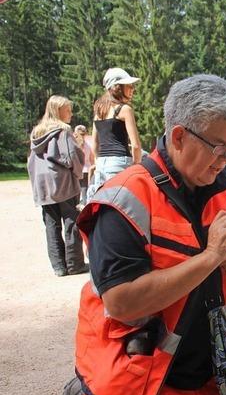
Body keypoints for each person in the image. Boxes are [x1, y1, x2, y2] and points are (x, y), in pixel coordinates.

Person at [73, 74, 226, 395]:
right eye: (219, 147)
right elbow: (121, 302)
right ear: (179, 136)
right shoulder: (125, 198)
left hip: (209, 383)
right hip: (139, 384)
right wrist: (209, 258)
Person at [27, 96, 89, 277]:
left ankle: (58, 266)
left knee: (51, 224)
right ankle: (74, 264)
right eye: (68, 110)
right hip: (62, 182)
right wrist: (78, 174)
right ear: (58, 111)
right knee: (71, 221)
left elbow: (31, 160)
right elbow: (71, 157)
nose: (71, 113)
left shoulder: (36, 133)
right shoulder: (63, 130)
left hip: (42, 184)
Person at [87, 67, 142, 200]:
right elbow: (135, 145)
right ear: (117, 88)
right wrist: (135, 165)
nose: (133, 89)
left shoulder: (99, 111)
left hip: (101, 165)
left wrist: (98, 161)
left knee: (105, 203)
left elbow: (95, 144)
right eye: (129, 86)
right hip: (120, 163)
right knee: (122, 204)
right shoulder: (125, 109)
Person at [73, 125, 94, 208]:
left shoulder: (74, 145)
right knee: (85, 191)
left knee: (76, 193)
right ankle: (85, 209)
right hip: (87, 171)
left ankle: (75, 209)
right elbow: (92, 159)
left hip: (77, 171)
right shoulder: (88, 145)